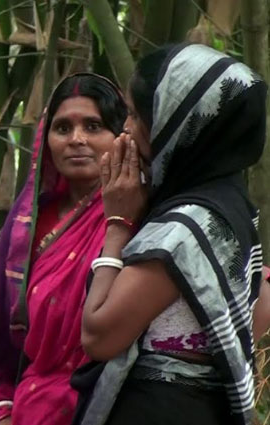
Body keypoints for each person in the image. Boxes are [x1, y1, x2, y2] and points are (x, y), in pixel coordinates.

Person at [78, 44, 268, 425]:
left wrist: (118, 222)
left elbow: (99, 336)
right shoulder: (235, 211)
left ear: (175, 124)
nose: (127, 129)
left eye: (134, 114)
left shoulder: (184, 229)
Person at [0, 73, 128, 425]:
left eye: (93, 126)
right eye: (63, 128)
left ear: (120, 137)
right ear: (46, 139)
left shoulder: (135, 217)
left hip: (109, 401)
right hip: (28, 405)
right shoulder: (26, 224)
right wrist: (0, 410)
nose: (77, 140)